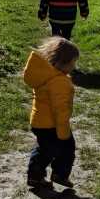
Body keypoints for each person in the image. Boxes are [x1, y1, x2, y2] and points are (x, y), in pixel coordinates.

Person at [23, 36, 79, 189]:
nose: (74, 66)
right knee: (51, 150)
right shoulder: (59, 82)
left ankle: (56, 174)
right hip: (51, 125)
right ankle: (40, 176)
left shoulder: (48, 76)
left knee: (49, 149)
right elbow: (60, 109)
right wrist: (63, 131)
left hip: (40, 121)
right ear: (63, 62)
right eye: (73, 62)